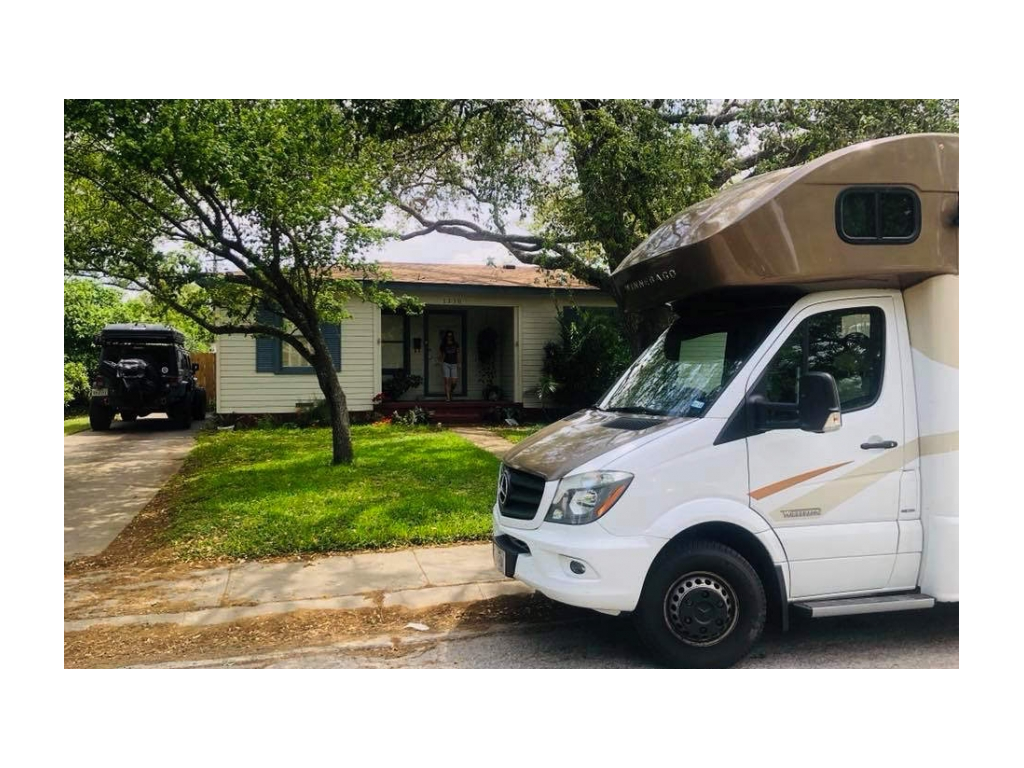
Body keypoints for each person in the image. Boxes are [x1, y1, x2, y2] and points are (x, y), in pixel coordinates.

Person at [438, 330, 460, 402]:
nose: (449, 337)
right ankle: (448, 398)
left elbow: (458, 354)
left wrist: (459, 363)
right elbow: (441, 354)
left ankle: (450, 392)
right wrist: (440, 360)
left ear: (452, 336)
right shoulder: (443, 344)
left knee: (454, 382)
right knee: (447, 380)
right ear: (446, 336)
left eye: (450, 336)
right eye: (448, 336)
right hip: (446, 363)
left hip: (454, 364)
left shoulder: (456, 344)